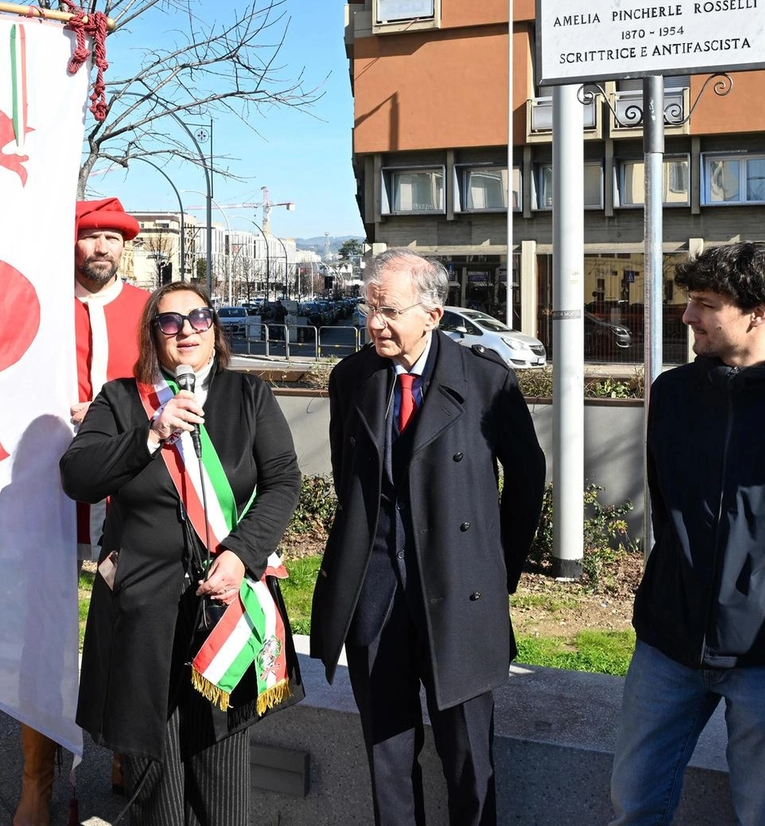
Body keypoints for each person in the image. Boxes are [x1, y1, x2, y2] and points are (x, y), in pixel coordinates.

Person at [609, 241, 765, 826]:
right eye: (689, 301)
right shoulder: (671, 394)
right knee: (633, 805)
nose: (688, 315)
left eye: (705, 303)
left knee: (764, 815)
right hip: (666, 642)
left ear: (760, 312)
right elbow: (666, 500)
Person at [310, 249, 545, 826]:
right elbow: (351, 480)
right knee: (387, 758)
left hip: (459, 594)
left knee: (469, 763)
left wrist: (496, 570)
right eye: (369, 308)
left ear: (433, 314)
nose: (374, 324)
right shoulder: (352, 378)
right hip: (376, 594)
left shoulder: (487, 381)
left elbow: (528, 477)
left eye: (388, 310)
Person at [61, 282, 304, 825]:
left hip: (228, 605)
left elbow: (283, 480)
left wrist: (242, 553)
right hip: (144, 611)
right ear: (154, 337)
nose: (187, 330)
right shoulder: (122, 400)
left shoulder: (248, 396)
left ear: (214, 328)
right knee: (157, 771)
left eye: (198, 317)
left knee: (221, 763)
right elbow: (76, 476)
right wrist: (151, 433)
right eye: (170, 322)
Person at [15, 197, 152, 826]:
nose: (100, 246)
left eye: (111, 237)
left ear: (125, 247)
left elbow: (173, 382)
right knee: (42, 636)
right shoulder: (39, 307)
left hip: (129, 489)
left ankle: (126, 748)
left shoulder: (150, 311)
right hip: (47, 484)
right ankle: (36, 781)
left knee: (129, 627)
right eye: (88, 236)